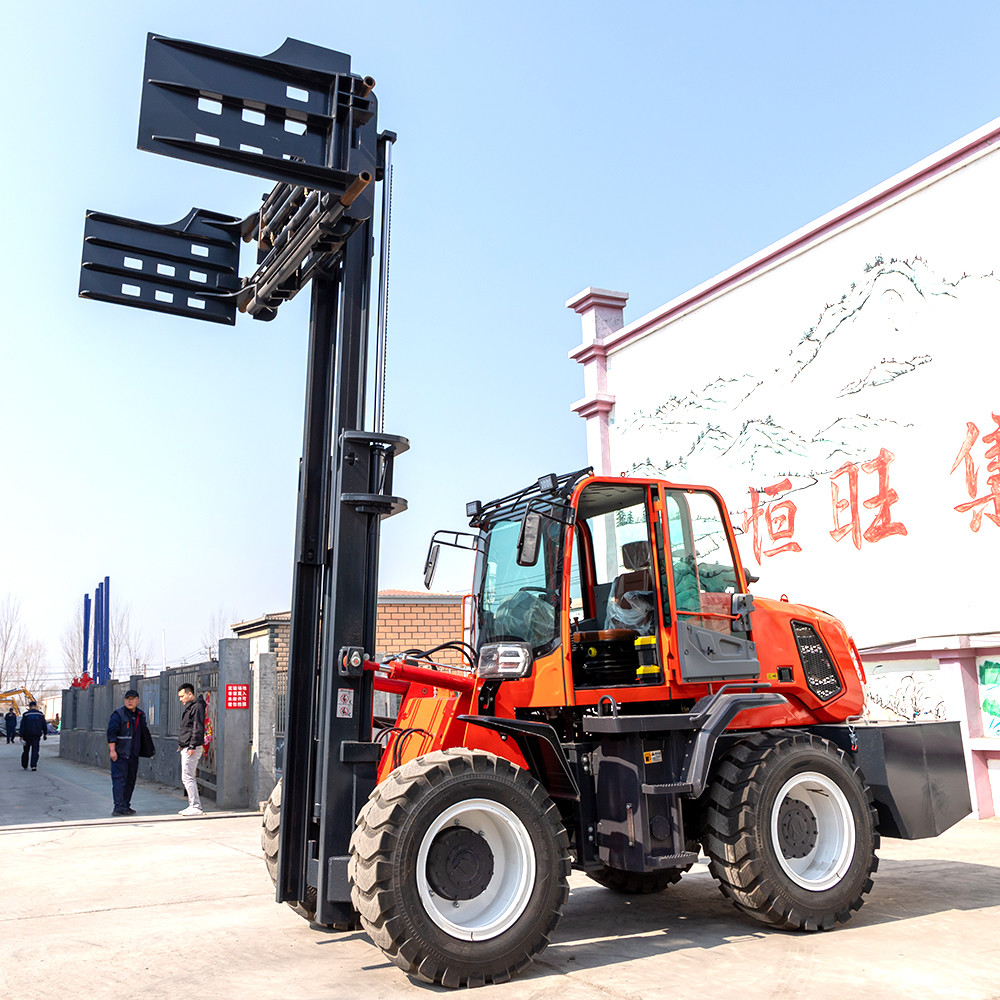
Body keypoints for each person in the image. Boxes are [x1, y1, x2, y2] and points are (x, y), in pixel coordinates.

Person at [107, 689, 153, 817]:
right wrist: (112, 751)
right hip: (120, 754)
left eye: (132, 699)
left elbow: (143, 733)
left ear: (137, 700)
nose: (130, 701)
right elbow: (111, 733)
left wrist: (147, 749)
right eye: (127, 699)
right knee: (119, 781)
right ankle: (118, 807)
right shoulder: (118, 715)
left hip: (133, 754)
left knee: (130, 781)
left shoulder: (140, 715)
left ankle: (125, 805)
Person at [177, 683, 206, 817]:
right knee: (187, 777)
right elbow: (188, 728)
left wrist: (192, 745)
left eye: (182, 696)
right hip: (187, 746)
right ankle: (192, 805)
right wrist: (182, 744)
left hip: (191, 747)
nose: (180, 699)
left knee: (188, 777)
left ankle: (195, 806)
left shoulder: (197, 706)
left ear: (190, 694)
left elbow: (197, 727)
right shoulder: (192, 706)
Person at [19, 701, 47, 771]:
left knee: (26, 750)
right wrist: (45, 733)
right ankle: (33, 765)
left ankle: (25, 765)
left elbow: (22, 726)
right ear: (36, 706)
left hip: (27, 735)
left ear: (29, 706)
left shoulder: (26, 715)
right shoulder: (40, 714)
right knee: (35, 750)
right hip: (36, 735)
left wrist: (21, 735)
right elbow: (44, 725)